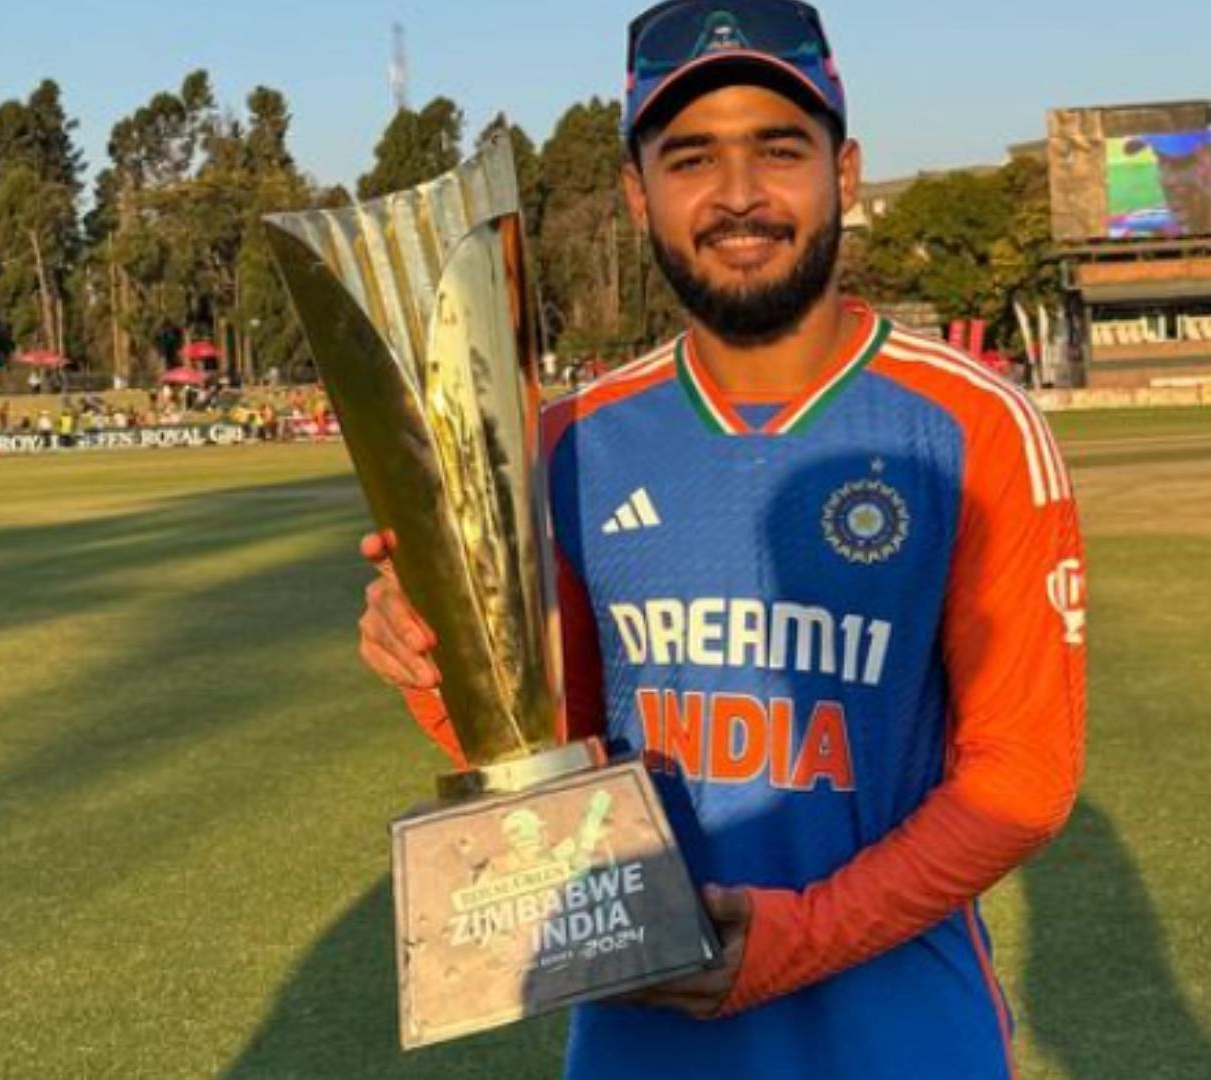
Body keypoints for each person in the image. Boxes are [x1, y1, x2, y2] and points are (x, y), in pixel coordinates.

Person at [358, 2, 1085, 1076]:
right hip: (641, 1041)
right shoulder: (567, 444)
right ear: (636, 192)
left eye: (779, 150)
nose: (738, 195)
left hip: (900, 1040)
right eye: (691, 157)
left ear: (845, 174)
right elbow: (546, 760)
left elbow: (1023, 777)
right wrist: (439, 661)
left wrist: (795, 940)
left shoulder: (969, 426)